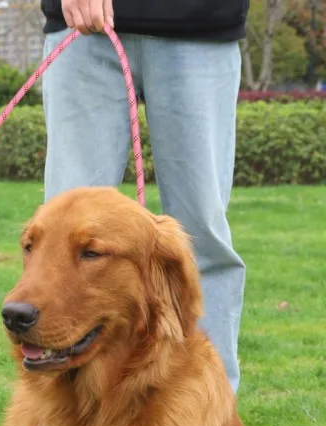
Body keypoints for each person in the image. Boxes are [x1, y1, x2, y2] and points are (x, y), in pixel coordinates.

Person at [40, 0, 249, 392]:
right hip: (82, 28)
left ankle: (212, 419)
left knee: (202, 236)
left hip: (200, 26)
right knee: (61, 236)